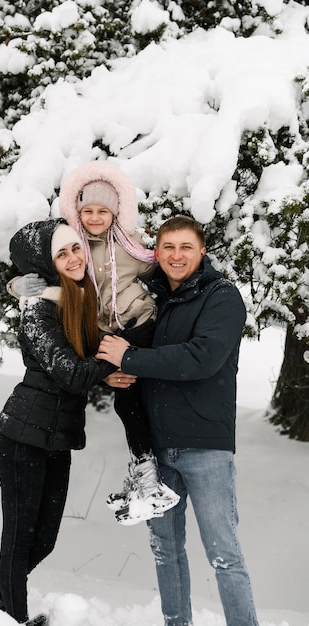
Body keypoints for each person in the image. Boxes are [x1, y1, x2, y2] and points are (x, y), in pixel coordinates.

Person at [96, 215, 260, 626]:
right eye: (168, 247)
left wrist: (130, 358)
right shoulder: (152, 298)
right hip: (157, 450)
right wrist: (115, 373)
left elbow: (201, 359)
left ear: (202, 251)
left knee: (224, 553)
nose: (176, 255)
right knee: (165, 550)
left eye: (186, 247)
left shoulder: (221, 297)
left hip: (205, 445)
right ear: (157, 252)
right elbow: (131, 358)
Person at [0, 218, 129, 626]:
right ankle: (13, 617)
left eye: (76, 248)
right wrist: (107, 364)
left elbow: (83, 363)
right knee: (20, 537)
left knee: (44, 539)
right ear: (46, 262)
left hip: (56, 436)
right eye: (62, 253)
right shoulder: (38, 310)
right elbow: (69, 372)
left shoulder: (76, 296)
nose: (74, 258)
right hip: (22, 434)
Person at [9, 160, 179, 525]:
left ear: (117, 212)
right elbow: (48, 277)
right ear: (76, 212)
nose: (96, 217)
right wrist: (21, 286)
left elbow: (163, 269)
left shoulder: (129, 249)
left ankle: (150, 479)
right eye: (87, 210)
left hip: (140, 325)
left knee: (134, 398)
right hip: (108, 337)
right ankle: (145, 475)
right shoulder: (76, 248)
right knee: (127, 401)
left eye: (104, 210)